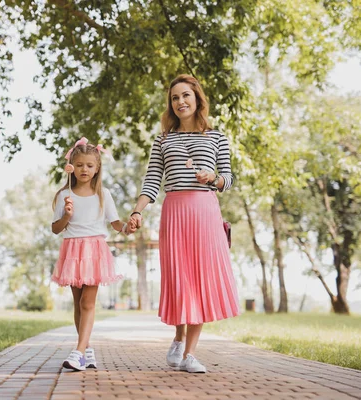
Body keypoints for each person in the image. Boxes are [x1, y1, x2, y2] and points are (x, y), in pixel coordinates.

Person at [128, 74, 240, 373]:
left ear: (197, 98)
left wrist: (213, 178)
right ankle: (178, 337)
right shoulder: (163, 139)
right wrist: (137, 211)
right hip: (174, 212)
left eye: (186, 95)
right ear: (171, 104)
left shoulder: (216, 137)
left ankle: (190, 353)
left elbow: (228, 179)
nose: (181, 102)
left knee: (201, 278)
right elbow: (152, 180)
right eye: (175, 98)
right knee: (180, 277)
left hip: (205, 212)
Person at [51, 137, 127, 371]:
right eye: (80, 164)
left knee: (87, 302)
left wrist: (128, 227)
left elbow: (115, 223)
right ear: (71, 166)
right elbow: (55, 228)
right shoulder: (64, 194)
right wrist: (67, 216)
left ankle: (79, 352)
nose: (85, 169)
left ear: (97, 168)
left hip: (94, 250)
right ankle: (86, 349)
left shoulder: (103, 193)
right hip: (72, 250)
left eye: (90, 165)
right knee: (77, 303)